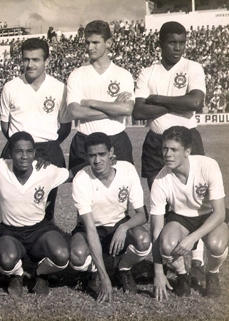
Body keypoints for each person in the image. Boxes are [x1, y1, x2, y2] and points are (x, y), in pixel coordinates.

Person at [133, 21, 207, 282]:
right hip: (156, 144)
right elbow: (139, 111)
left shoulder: (193, 68)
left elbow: (196, 102)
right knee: (161, 206)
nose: (178, 48)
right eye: (172, 42)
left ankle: (197, 261)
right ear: (160, 43)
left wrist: (158, 99)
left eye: (182, 42)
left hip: (189, 143)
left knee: (196, 203)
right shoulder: (147, 72)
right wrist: (178, 104)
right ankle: (173, 266)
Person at [0, 132, 70, 297]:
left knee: (62, 255)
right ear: (10, 153)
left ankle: (40, 274)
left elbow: (72, 174)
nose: (24, 156)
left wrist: (109, 163)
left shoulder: (45, 170)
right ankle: (16, 275)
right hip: (10, 230)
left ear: (35, 153)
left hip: (39, 229)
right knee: (6, 260)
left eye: (29, 151)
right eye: (19, 151)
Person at [70, 132, 151, 303]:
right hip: (91, 227)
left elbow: (143, 215)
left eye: (102, 154)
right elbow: (90, 229)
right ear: (86, 156)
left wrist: (124, 227)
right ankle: (94, 272)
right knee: (77, 255)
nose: (97, 160)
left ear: (111, 152)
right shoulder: (81, 179)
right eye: (92, 155)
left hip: (118, 223)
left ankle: (123, 268)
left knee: (143, 240)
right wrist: (104, 277)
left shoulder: (127, 169)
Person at [150, 126, 228, 300]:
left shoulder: (208, 166)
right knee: (167, 244)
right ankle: (182, 274)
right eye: (165, 148)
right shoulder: (160, 181)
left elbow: (220, 213)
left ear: (187, 151)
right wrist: (158, 271)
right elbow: (156, 229)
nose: (167, 154)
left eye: (174, 150)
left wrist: (192, 238)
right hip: (181, 218)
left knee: (217, 244)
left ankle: (212, 273)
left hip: (209, 215)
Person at [0, 38, 71, 222]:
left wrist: (49, 144)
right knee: (16, 204)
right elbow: (5, 126)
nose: (30, 64)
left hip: (48, 150)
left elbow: (64, 126)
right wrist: (21, 146)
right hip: (17, 150)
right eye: (26, 59)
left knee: (45, 204)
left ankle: (45, 241)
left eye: (36, 59)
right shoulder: (10, 87)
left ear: (46, 61)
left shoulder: (59, 88)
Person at [67, 20, 134, 176]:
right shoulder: (76, 75)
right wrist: (113, 108)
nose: (90, 47)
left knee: (119, 191)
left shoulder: (123, 74)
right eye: (87, 43)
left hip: (116, 140)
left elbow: (127, 109)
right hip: (84, 141)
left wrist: (91, 103)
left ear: (108, 43)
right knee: (84, 192)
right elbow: (75, 112)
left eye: (95, 42)